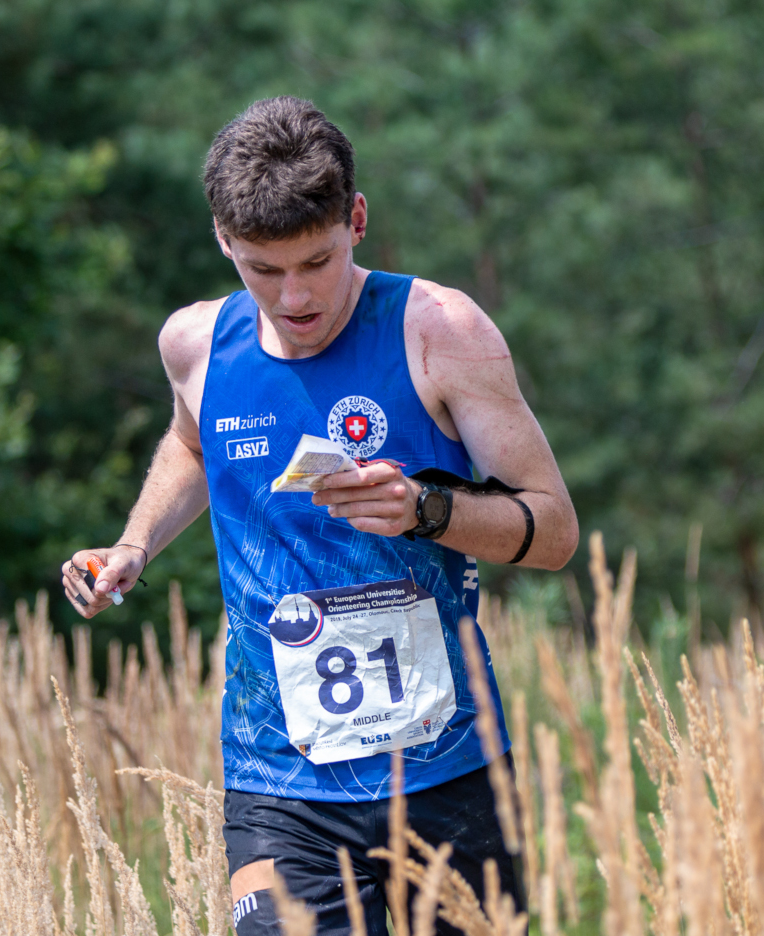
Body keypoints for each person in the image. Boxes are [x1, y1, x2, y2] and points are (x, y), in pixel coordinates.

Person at [61, 95, 578, 935]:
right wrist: (134, 544)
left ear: (357, 221)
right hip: (277, 778)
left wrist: (424, 510)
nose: (294, 296)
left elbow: (552, 531)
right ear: (222, 240)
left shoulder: (439, 331)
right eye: (263, 270)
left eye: (317, 261)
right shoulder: (195, 344)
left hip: (444, 767)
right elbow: (194, 447)